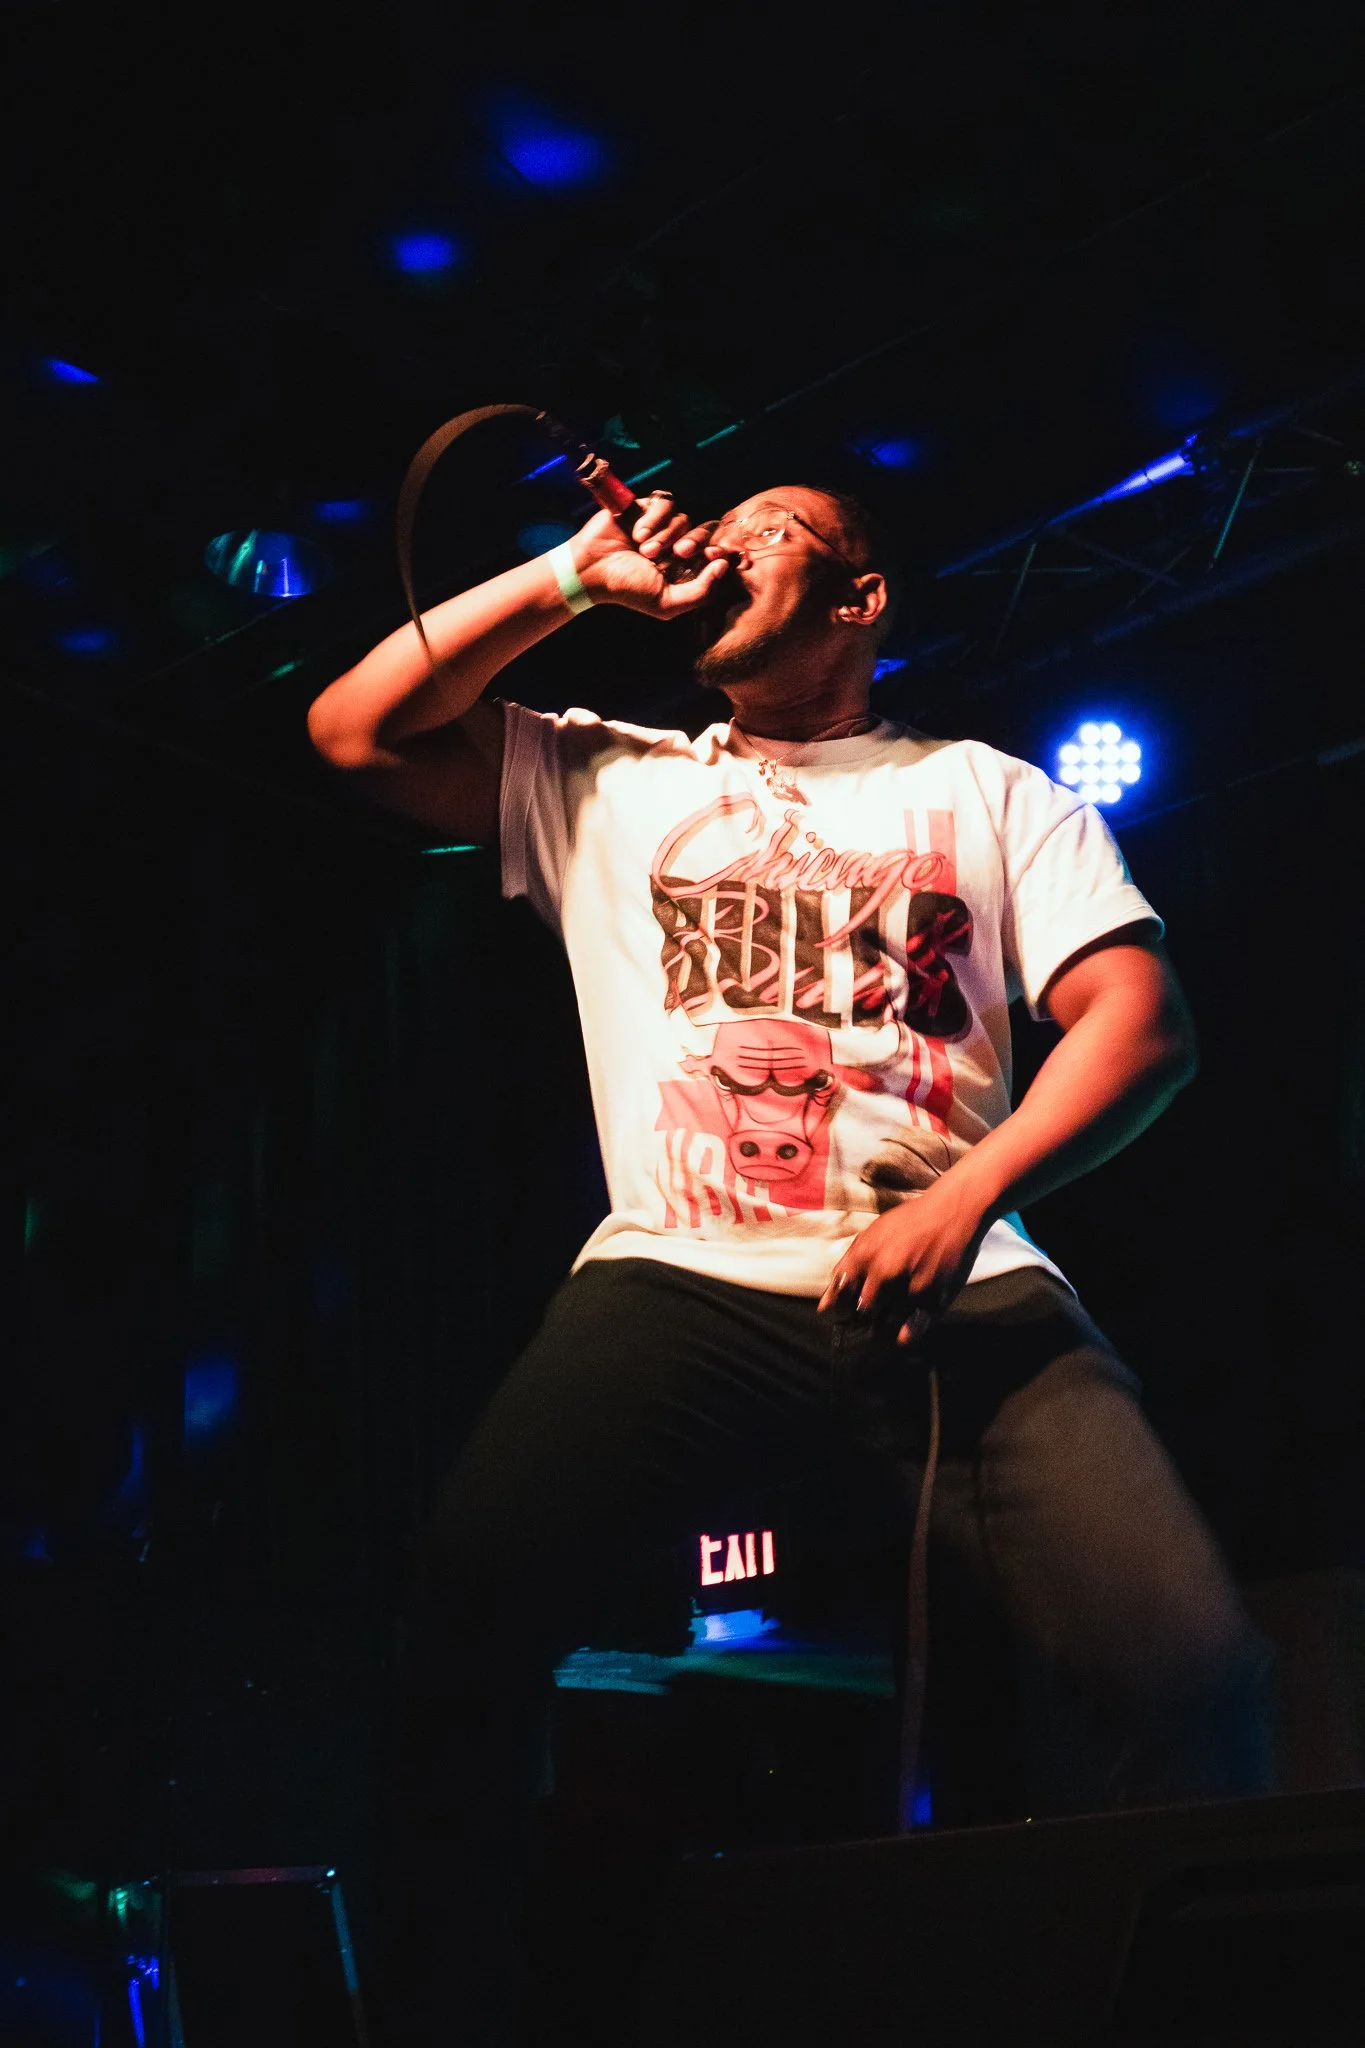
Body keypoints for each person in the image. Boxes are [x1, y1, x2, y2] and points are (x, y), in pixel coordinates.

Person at [308, 484, 1270, 2045]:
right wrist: (572, 574)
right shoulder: (604, 775)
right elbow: (353, 729)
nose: (730, 538)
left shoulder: (991, 790)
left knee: (1193, 1672)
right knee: (463, 1623)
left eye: (777, 525)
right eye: (726, 521)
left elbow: (1141, 1029)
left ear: (862, 599)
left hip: (961, 1274)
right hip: (680, 1274)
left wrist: (968, 1200)